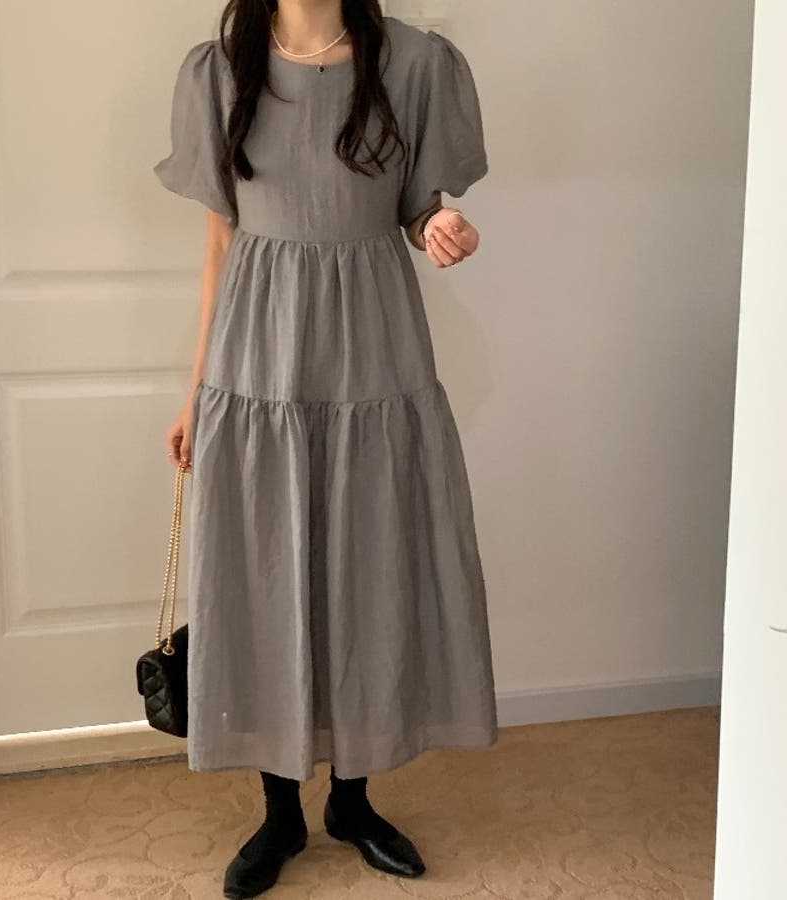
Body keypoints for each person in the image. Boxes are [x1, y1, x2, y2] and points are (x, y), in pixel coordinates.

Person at [154, 1, 499, 896]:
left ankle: (353, 799)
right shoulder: (218, 71)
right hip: (258, 358)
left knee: (369, 567)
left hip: (373, 354)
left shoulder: (415, 64)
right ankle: (280, 813)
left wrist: (439, 227)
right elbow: (219, 243)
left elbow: (419, 207)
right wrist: (196, 390)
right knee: (265, 573)